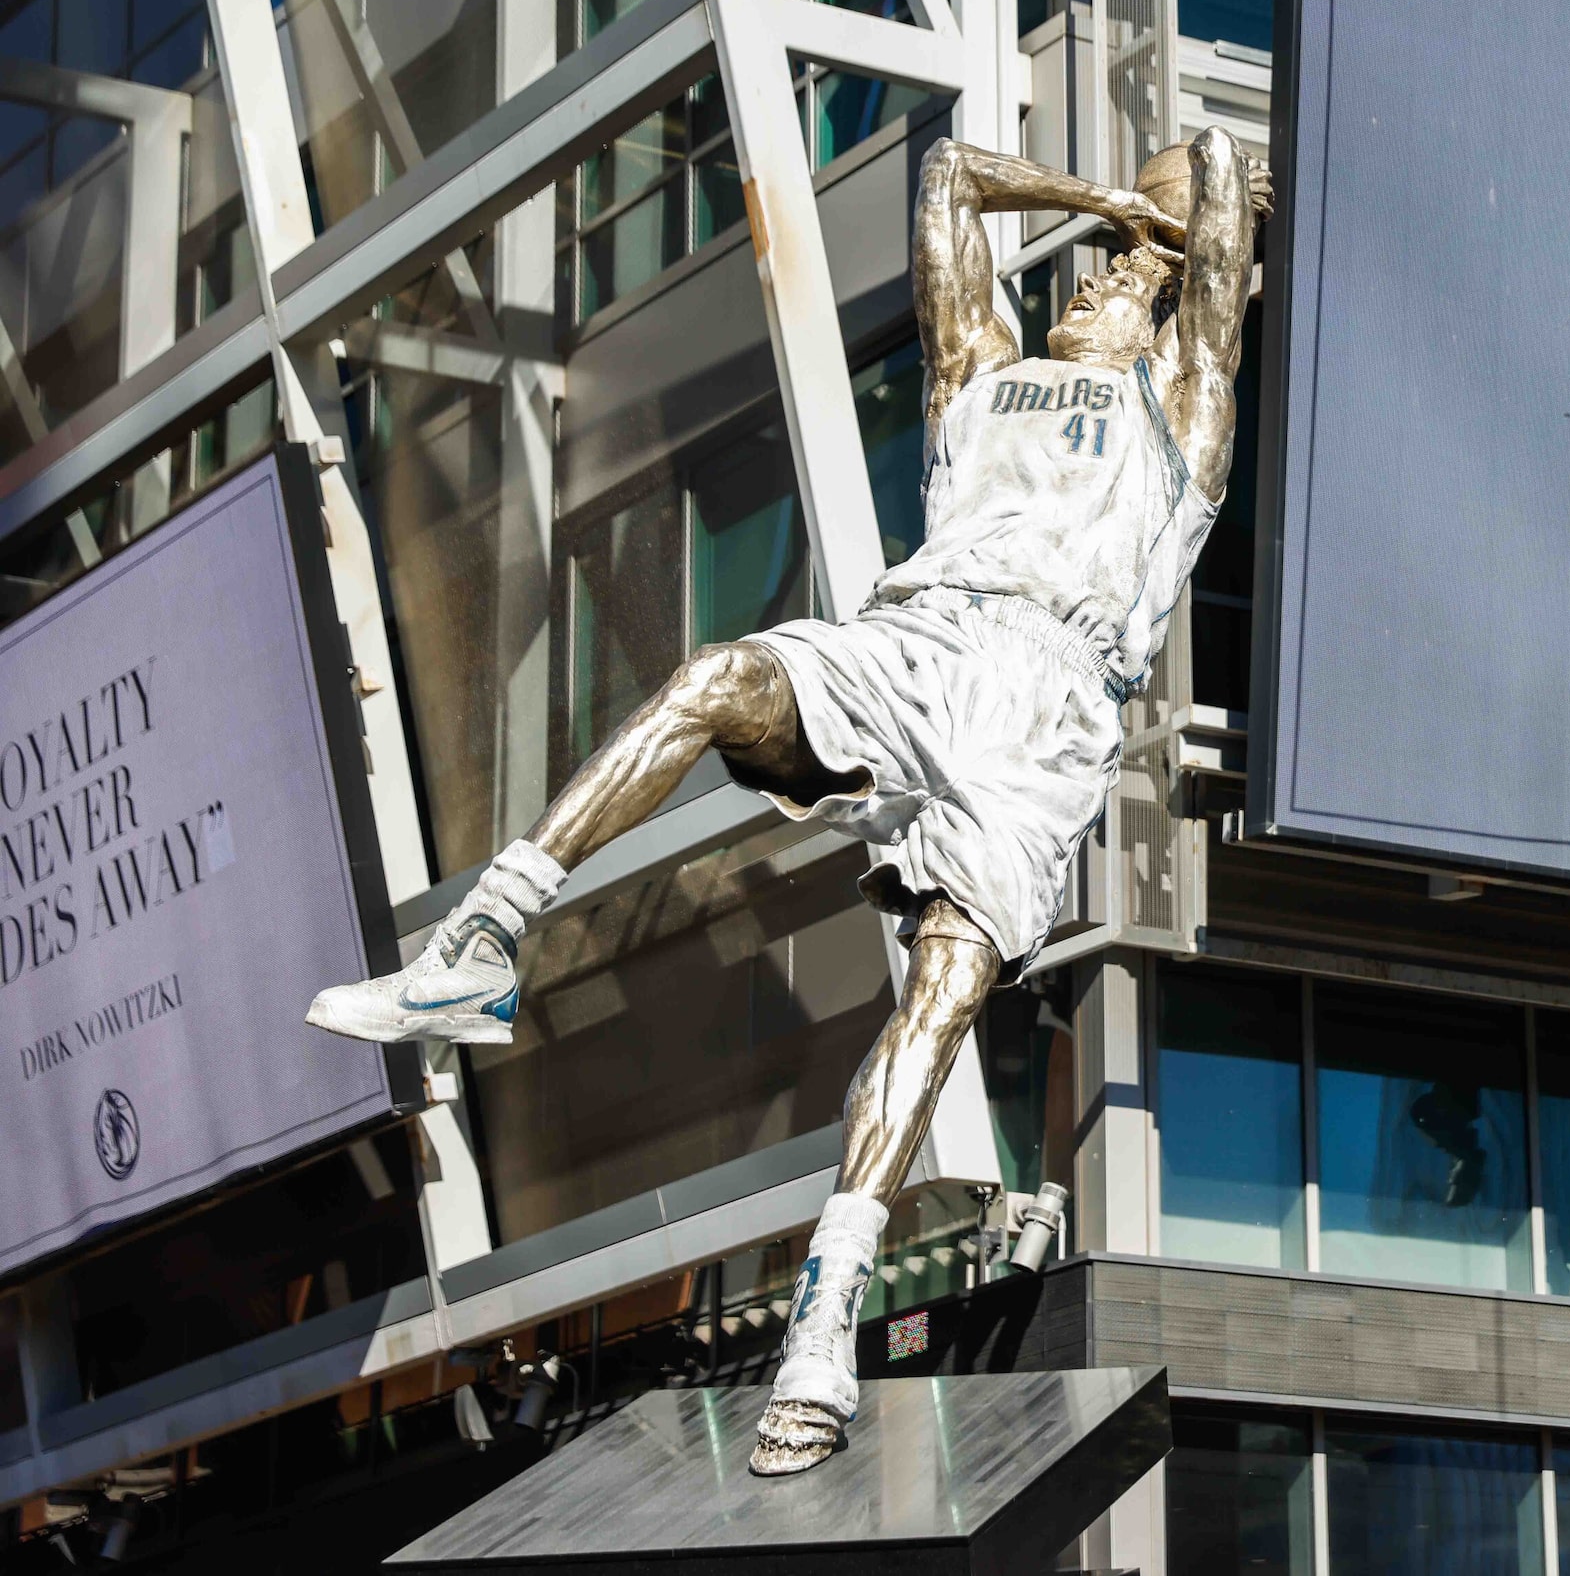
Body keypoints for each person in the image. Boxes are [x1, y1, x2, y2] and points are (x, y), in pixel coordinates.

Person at [305, 125, 1263, 1473]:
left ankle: (826, 1310)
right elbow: (948, 178)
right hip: (919, 634)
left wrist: (1169, 218)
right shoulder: (984, 374)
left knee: (942, 984)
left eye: (1122, 273)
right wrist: (1101, 197)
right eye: (1090, 266)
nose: (1092, 278)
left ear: (1162, 300)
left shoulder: (1185, 410)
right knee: (716, 679)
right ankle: (486, 937)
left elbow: (1216, 186)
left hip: (1045, 696)